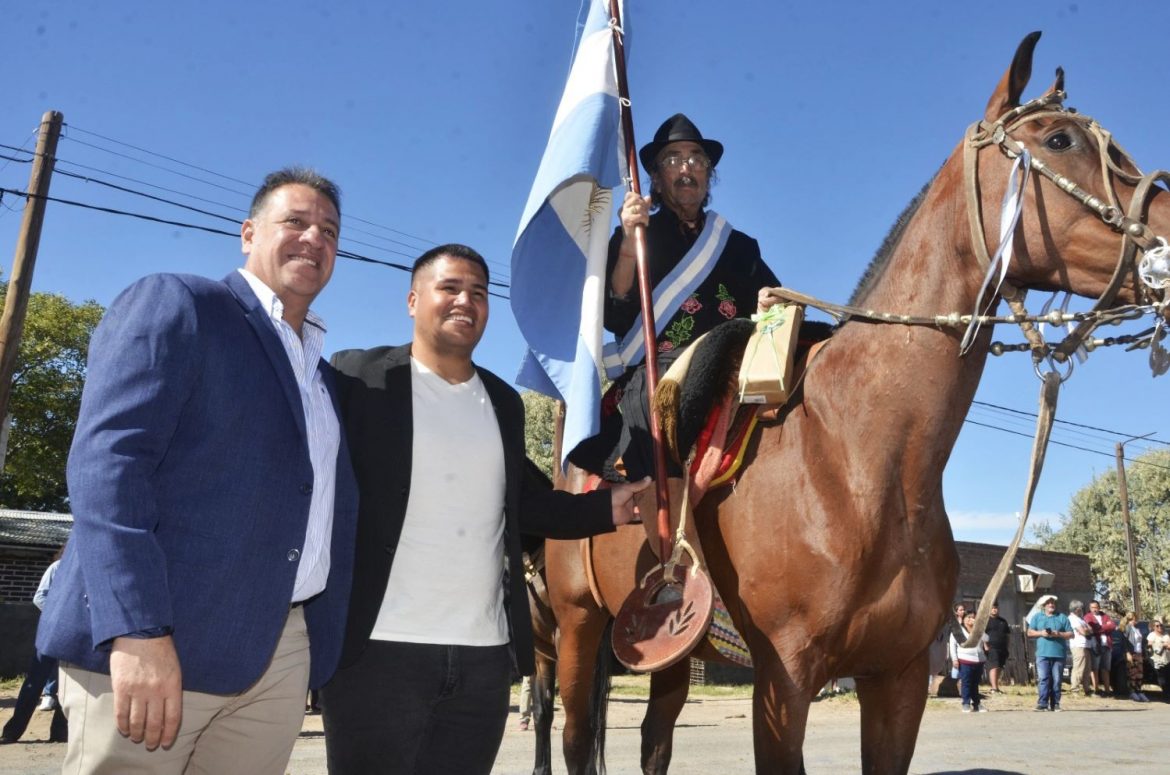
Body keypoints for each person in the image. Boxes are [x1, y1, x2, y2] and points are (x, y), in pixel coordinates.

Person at [35, 167, 359, 774]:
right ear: (248, 233)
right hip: (162, 640)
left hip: (279, 652)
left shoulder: (321, 374)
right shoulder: (181, 303)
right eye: (295, 221)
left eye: (330, 231)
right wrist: (137, 631)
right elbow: (110, 467)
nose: (314, 238)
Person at [320, 244, 651, 775]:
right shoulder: (358, 377)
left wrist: (609, 507)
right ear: (412, 300)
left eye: (477, 292)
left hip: (482, 659)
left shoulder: (502, 401)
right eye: (449, 288)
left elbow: (526, 505)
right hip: (378, 654)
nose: (465, 301)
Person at [570, 113, 780, 494]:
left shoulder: (738, 245)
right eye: (674, 159)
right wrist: (629, 247)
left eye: (697, 159)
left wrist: (771, 302)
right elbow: (616, 315)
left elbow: (776, 302)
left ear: (708, 175)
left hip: (738, 363)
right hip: (664, 371)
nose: (687, 168)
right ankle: (669, 532)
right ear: (655, 178)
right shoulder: (635, 235)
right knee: (654, 432)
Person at [1, 552, 68, 744]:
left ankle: (59, 734)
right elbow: (40, 597)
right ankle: (12, 732)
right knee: (34, 683)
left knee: (67, 685)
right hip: (51, 634)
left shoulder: (89, 571)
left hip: (73, 638)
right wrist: (62, 617)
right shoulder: (57, 568)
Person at [1026, 595, 1072, 711]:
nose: (1051, 605)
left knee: (1057, 679)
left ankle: (1055, 703)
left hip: (1058, 654)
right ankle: (1042, 703)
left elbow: (1071, 634)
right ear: (1044, 606)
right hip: (1042, 653)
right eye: (1048, 603)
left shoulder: (1062, 617)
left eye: (1052, 603)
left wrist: (1058, 634)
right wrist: (1041, 633)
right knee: (1043, 678)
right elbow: (1029, 632)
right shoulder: (1037, 617)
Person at [949, 611, 989, 712]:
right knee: (966, 682)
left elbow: (987, 638)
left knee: (975, 683)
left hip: (978, 660)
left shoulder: (978, 630)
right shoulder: (958, 631)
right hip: (965, 660)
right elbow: (952, 646)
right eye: (968, 617)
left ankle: (977, 704)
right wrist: (954, 659)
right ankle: (966, 703)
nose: (970, 619)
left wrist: (977, 628)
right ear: (963, 619)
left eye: (973, 617)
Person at [1083, 600, 1116, 696]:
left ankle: (1107, 690)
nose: (1094, 609)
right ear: (1090, 608)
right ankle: (1096, 689)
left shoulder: (1105, 616)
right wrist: (1105, 627)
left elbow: (1113, 626)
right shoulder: (1087, 617)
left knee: (1106, 668)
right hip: (1096, 645)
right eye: (1092, 607)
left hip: (1107, 645)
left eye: (1096, 607)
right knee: (1095, 668)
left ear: (1099, 607)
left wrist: (1100, 628)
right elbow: (1093, 628)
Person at [1067, 599, 1097, 696]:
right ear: (1076, 609)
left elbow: (1091, 630)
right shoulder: (1072, 619)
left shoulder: (1081, 619)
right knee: (1079, 668)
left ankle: (1087, 689)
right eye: (1080, 608)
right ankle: (1075, 689)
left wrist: (1086, 629)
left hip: (1086, 645)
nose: (1081, 610)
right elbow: (1083, 632)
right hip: (1078, 646)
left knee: (1087, 669)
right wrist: (1086, 630)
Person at [984, 601, 1011, 693]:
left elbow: (1007, 635)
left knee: (999, 666)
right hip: (991, 647)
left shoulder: (1003, 621)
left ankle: (996, 687)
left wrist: (1007, 647)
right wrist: (985, 645)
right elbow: (982, 634)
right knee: (994, 666)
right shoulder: (986, 620)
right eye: (992, 608)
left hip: (1002, 647)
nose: (994, 609)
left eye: (996, 608)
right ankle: (994, 688)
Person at [1123, 612, 1150, 702]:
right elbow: (1125, 642)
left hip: (1139, 653)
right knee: (1132, 673)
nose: (1136, 620)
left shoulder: (1137, 629)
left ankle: (1139, 691)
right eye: (1135, 618)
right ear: (1131, 618)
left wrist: (1144, 653)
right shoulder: (1127, 628)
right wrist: (1127, 653)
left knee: (1139, 674)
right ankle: (1132, 691)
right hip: (1132, 653)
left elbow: (1140, 642)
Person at [1147, 618, 1170, 701]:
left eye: (1161, 625)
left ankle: (1167, 694)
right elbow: (1150, 646)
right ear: (1153, 627)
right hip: (1157, 660)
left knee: (1168, 677)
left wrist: (1167, 646)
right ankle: (1166, 695)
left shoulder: (1166, 635)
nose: (1159, 627)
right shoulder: (1152, 635)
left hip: (1167, 659)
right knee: (1162, 678)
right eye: (1157, 626)